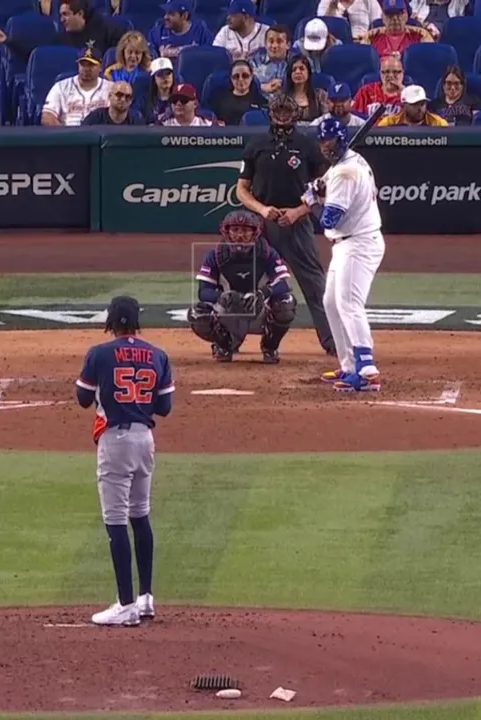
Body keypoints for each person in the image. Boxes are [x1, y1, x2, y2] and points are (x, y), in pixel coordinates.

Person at [75, 295, 174, 627]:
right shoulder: (158, 355)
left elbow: (83, 398)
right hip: (145, 440)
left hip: (115, 440)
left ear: (110, 321)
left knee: (115, 520)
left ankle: (126, 605)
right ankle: (145, 598)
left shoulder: (99, 354)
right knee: (140, 515)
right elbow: (165, 407)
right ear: (136, 321)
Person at [235, 94, 337, 356]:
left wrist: (298, 212)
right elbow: (241, 190)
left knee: (315, 284)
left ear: (295, 114)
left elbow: (323, 189)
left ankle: (332, 340)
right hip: (261, 224)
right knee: (245, 282)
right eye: (277, 111)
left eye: (286, 111)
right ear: (270, 113)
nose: (281, 116)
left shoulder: (307, 145)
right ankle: (230, 341)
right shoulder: (257, 144)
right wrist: (262, 209)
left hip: (296, 223)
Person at [305, 118, 385, 392]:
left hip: (358, 244)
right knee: (331, 302)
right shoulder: (351, 162)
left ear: (341, 140)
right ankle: (349, 365)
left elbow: (329, 220)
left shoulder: (345, 172)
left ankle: (367, 370)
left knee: (349, 304)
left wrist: (314, 201)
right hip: (347, 243)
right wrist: (321, 189)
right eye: (322, 142)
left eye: (330, 142)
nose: (326, 147)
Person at [188, 210, 298, 363]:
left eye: (245, 230)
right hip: (228, 312)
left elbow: (284, 284)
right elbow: (204, 292)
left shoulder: (267, 253)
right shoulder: (215, 255)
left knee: (286, 303)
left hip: (259, 311)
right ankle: (224, 345)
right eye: (235, 230)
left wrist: (264, 293)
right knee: (197, 313)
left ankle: (270, 346)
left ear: (255, 232)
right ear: (227, 232)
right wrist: (222, 297)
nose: (240, 235)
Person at [0, 0, 126, 68]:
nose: (61, 19)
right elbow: (35, 55)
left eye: (66, 14)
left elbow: (126, 46)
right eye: (61, 15)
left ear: (80, 14)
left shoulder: (106, 29)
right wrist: (8, 41)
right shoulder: (61, 39)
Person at [42, 47, 110, 126]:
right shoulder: (60, 87)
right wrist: (64, 132)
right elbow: (47, 117)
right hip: (68, 131)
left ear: (100, 67)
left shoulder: (110, 88)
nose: (86, 69)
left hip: (99, 132)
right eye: (83, 64)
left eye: (91, 65)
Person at [147, 0, 214, 60]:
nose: (165, 17)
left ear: (184, 16)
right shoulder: (157, 32)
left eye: (171, 14)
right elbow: (149, 59)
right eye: (166, 13)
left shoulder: (201, 31)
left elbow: (210, 57)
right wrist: (160, 59)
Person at [368, 0, 433, 60]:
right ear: (382, 17)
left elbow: (429, 60)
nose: (395, 18)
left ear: (406, 15)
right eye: (389, 13)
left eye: (399, 13)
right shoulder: (371, 37)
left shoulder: (421, 35)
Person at [211, 59, 268, 125]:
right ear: (231, 78)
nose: (240, 79)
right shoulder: (219, 100)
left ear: (251, 77)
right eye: (236, 76)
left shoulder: (260, 101)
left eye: (245, 76)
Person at [282, 54, 328, 122]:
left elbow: (327, 118)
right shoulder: (282, 98)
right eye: (294, 70)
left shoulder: (320, 95)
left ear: (308, 73)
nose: (298, 72)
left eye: (301, 69)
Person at [248, 24, 291, 96]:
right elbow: (243, 84)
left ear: (288, 45)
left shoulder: (295, 63)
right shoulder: (254, 61)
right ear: (265, 44)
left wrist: (284, 86)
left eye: (279, 41)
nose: (274, 46)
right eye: (271, 41)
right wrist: (262, 87)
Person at [376, 83, 448, 125]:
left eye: (422, 104)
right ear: (404, 105)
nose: (420, 109)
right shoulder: (389, 123)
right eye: (414, 104)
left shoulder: (438, 123)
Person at [317, 0, 382, 43]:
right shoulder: (327, 2)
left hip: (362, 44)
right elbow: (321, 27)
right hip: (335, 46)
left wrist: (368, 35)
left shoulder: (369, 1)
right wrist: (331, 8)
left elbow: (381, 26)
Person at [140, 57, 177, 122]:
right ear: (154, 79)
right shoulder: (145, 99)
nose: (165, 77)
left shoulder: (180, 97)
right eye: (160, 74)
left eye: (168, 73)